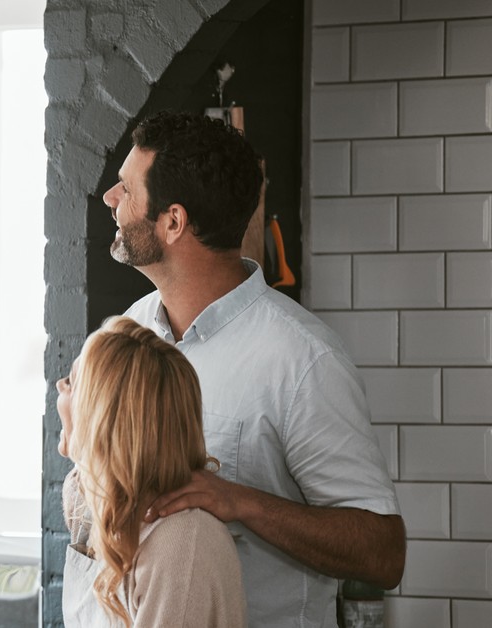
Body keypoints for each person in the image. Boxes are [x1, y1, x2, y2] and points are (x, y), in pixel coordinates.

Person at [100, 110, 404, 626]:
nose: (110, 198)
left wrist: (238, 501)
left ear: (173, 222)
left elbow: (383, 552)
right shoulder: (128, 332)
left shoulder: (304, 360)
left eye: (126, 189)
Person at [57, 316, 245, 627]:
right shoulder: (109, 512)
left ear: (102, 419)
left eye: (72, 383)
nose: (60, 388)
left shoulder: (182, 546)